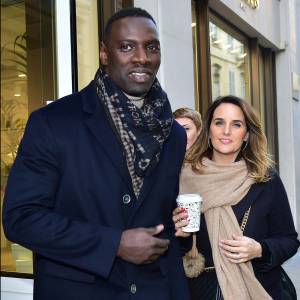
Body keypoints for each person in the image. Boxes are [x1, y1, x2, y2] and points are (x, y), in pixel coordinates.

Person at [3, 8, 190, 300]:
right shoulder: (54, 122)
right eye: (127, 46)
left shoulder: (174, 134)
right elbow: (21, 218)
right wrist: (113, 244)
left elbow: (159, 218)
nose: (142, 57)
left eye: (151, 47)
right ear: (105, 53)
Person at [173, 96, 299, 300]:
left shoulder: (264, 179)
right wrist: (181, 236)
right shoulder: (185, 176)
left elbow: (289, 240)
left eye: (237, 124)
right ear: (209, 129)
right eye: (219, 122)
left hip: (256, 286)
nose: (226, 131)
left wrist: (259, 250)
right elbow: (168, 246)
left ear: (247, 134)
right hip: (199, 291)